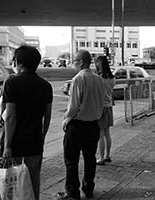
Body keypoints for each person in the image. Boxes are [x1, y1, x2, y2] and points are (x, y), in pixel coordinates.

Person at [1, 45, 53, 200]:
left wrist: (7, 146)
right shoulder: (46, 86)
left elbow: (10, 116)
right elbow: (47, 116)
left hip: (15, 142)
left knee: (11, 185)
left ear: (18, 62)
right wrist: (41, 136)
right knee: (33, 182)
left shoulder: (12, 83)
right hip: (35, 142)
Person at [59, 50, 104, 200]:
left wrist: (66, 120)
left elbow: (73, 107)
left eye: (75, 61)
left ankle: (73, 192)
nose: (74, 64)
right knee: (90, 159)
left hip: (77, 126)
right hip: (93, 126)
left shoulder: (78, 79)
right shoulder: (98, 79)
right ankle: (88, 188)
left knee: (71, 160)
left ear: (82, 62)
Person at [95, 56, 116, 165]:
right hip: (109, 106)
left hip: (101, 107)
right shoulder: (112, 78)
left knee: (101, 134)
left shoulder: (99, 78)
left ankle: (101, 158)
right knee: (107, 133)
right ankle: (107, 155)